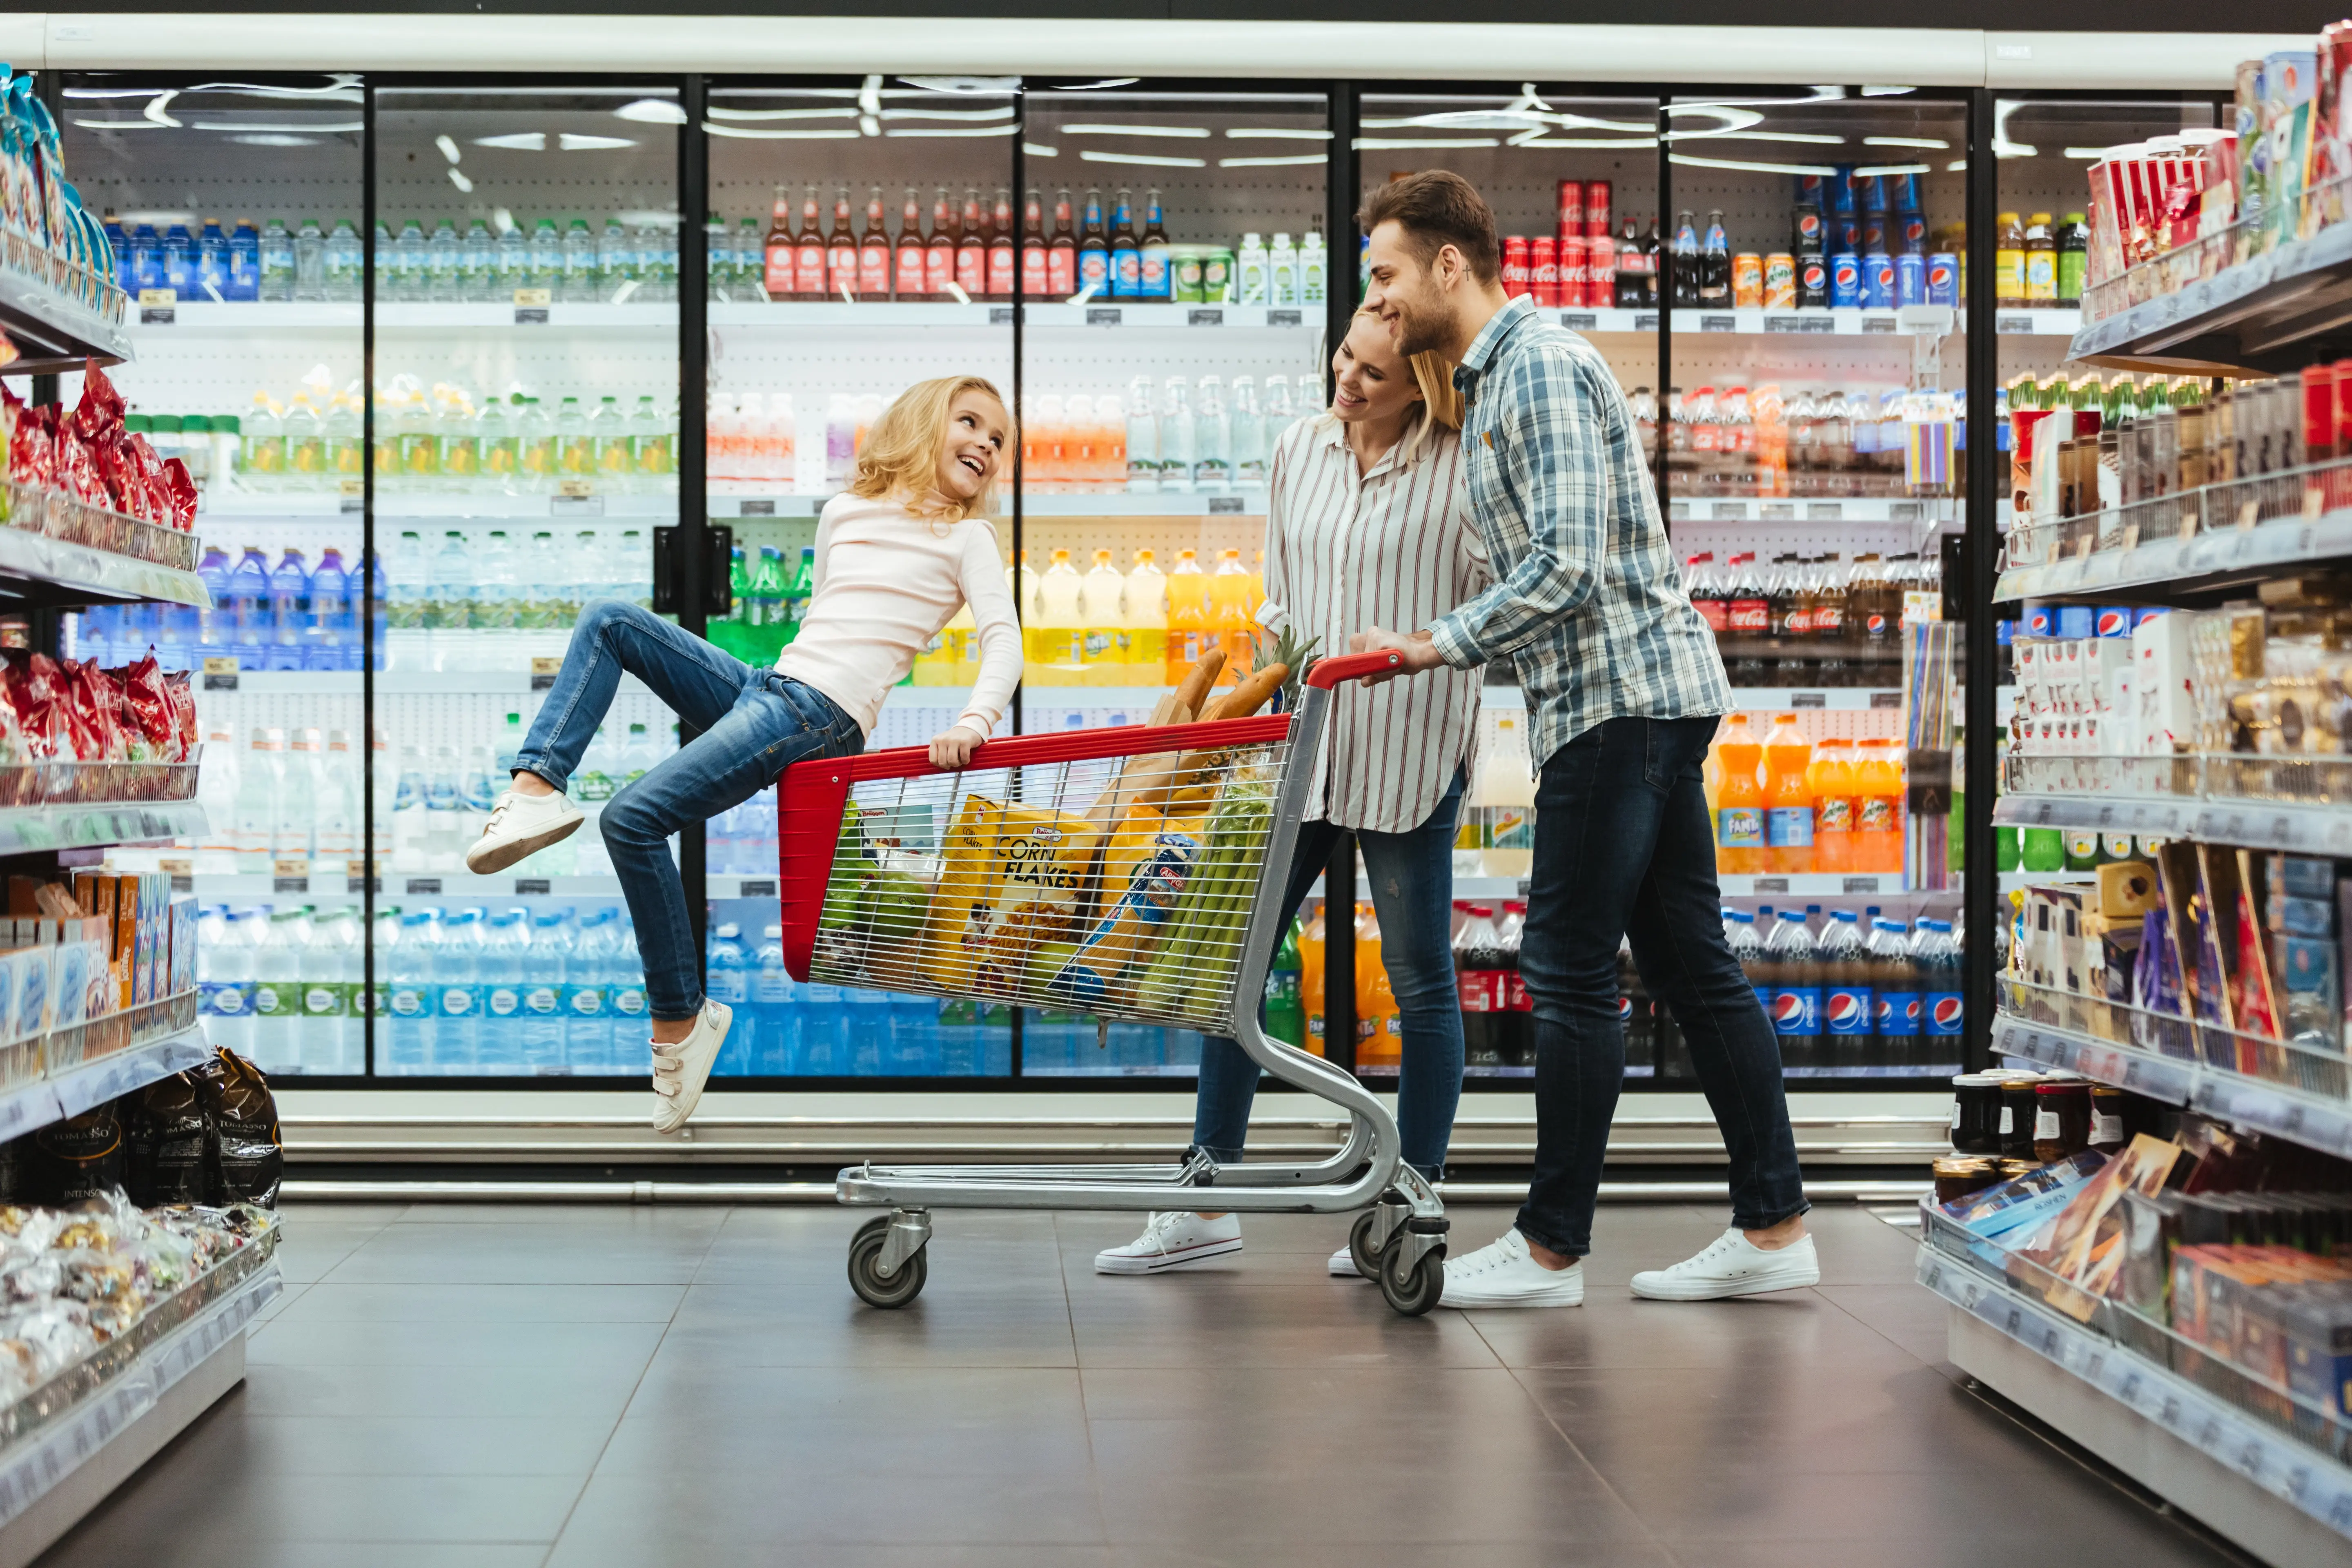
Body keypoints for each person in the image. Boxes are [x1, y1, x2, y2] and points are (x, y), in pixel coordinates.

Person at [1350, 171, 1818, 1308]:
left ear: (1448, 266)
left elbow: (1568, 565)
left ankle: (1550, 1248)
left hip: (1619, 701)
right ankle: (1774, 1229)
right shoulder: (1488, 383)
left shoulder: (1540, 369)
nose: (1378, 294)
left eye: (1387, 273)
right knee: (1691, 969)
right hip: (1619, 699)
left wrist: (1432, 645)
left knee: (1565, 967)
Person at [466, 376, 1021, 1134]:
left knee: (631, 820)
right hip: (772, 687)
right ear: (925, 423)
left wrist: (975, 720)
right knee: (610, 621)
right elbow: (827, 617)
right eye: (971, 423)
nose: (986, 445)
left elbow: (1004, 642)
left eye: (999, 439)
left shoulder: (967, 538)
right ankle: (536, 788)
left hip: (820, 716)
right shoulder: (846, 512)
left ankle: (680, 1023)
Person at [1096, 308, 1487, 1278]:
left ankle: (1412, 1196)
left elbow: (1496, 599)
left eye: (1375, 375)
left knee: (1421, 979)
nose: (1348, 383)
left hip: (1409, 742)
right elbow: (1279, 598)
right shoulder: (1299, 448)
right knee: (1237, 964)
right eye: (1346, 360)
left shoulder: (1463, 460)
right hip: (1302, 749)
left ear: (1423, 387)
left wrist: (1417, 648)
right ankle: (1206, 1194)